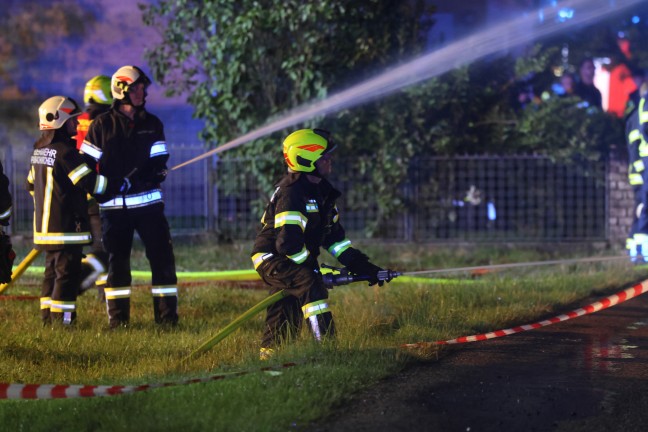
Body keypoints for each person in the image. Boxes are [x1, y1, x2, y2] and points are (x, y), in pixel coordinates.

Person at [251, 128, 390, 360]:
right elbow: (288, 245)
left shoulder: (322, 193)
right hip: (273, 259)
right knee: (309, 284)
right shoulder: (292, 194)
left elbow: (335, 240)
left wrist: (364, 266)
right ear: (306, 159)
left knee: (286, 304)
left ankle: (272, 358)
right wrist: (314, 271)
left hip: (293, 257)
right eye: (324, 157)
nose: (330, 161)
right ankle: (327, 350)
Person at [81, 65, 178, 328]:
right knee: (117, 265)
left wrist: (155, 173)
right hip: (113, 209)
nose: (142, 92)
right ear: (121, 89)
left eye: (142, 87)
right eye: (136, 87)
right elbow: (85, 167)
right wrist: (106, 187)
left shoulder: (153, 124)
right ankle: (119, 322)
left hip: (149, 207)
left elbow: (159, 158)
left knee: (162, 261)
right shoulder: (101, 126)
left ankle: (168, 320)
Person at [27, 96, 130, 325]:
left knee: (51, 275)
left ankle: (47, 319)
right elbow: (90, 183)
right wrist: (117, 185)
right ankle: (64, 322)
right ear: (60, 121)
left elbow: (31, 186)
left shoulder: (38, 152)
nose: (77, 124)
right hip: (66, 229)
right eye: (73, 119)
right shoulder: (66, 153)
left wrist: (49, 205)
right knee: (67, 277)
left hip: (45, 229)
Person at [77, 75, 113, 296]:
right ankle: (102, 292)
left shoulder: (76, 120)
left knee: (82, 246)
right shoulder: (107, 121)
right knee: (104, 246)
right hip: (101, 191)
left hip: (78, 193)